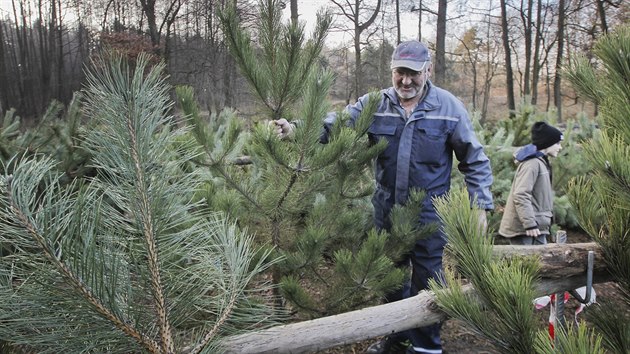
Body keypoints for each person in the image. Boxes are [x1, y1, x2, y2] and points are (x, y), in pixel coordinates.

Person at [272, 40, 494, 354]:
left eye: (414, 74)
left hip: (430, 214)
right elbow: (337, 125)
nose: (406, 81)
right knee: (390, 278)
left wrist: (480, 206)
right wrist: (295, 130)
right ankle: (396, 338)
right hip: (387, 210)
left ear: (428, 71)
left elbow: (475, 159)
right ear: (391, 71)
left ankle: (427, 346)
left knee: (429, 283)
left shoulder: (448, 108)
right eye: (400, 73)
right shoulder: (375, 104)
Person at [499, 121, 563, 245]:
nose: (560, 147)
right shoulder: (532, 164)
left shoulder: (541, 162)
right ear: (548, 143)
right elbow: (521, 194)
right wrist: (529, 224)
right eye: (557, 143)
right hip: (525, 229)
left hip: (538, 226)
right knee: (526, 264)